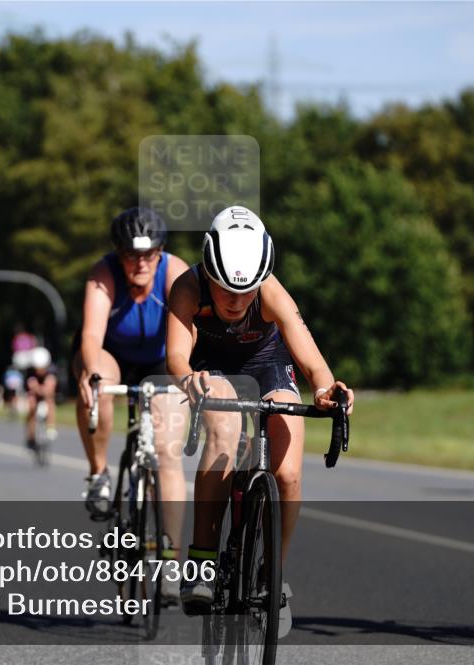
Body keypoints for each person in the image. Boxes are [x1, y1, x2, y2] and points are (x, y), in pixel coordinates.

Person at [166, 206, 354, 635]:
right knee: (224, 428)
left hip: (267, 364)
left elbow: (313, 363)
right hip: (211, 367)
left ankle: (274, 575)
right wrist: (188, 379)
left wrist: (327, 391)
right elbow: (176, 355)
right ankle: (203, 561)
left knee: (287, 472)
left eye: (247, 290)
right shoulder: (188, 286)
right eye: (226, 289)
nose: (236, 300)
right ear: (209, 272)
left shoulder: (270, 291)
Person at [73, 207, 191, 594]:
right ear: (118, 253)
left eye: (148, 254)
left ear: (160, 251)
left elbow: (190, 335)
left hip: (162, 358)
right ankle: (99, 474)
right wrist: (91, 371)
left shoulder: (175, 273)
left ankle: (170, 560)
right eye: (130, 255)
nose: (140, 263)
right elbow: (91, 335)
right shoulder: (103, 274)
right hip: (112, 353)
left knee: (167, 451)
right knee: (98, 382)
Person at [25, 347, 58, 449]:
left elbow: (50, 388)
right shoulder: (30, 371)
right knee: (32, 405)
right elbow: (31, 386)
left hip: (45, 388)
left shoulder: (51, 371)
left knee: (50, 401)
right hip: (34, 391)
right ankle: (31, 436)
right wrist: (36, 389)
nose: (39, 371)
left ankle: (50, 427)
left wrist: (41, 389)